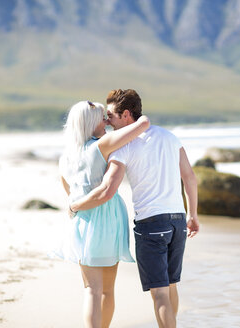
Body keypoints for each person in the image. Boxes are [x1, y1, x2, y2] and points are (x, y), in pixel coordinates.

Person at [70, 89, 200, 328]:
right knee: (171, 286)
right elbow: (190, 178)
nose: (107, 121)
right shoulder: (170, 137)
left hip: (152, 224)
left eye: (110, 115)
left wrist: (76, 204)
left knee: (159, 294)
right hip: (178, 221)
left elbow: (109, 187)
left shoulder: (124, 146)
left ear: (126, 114)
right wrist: (193, 214)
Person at [51, 100, 150, 328]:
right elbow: (141, 126)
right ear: (90, 122)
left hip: (82, 220)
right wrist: (141, 118)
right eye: (102, 117)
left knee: (91, 290)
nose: (106, 121)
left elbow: (70, 194)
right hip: (108, 220)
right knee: (106, 290)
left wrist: (76, 207)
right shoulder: (102, 145)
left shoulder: (65, 157)